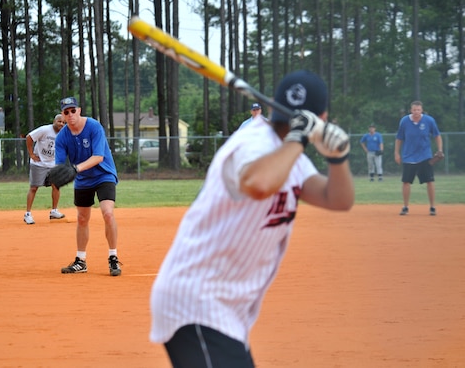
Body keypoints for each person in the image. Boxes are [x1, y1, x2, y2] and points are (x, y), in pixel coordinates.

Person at [150, 70, 354, 367]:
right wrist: (299, 138)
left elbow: (337, 199)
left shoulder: (291, 158)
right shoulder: (253, 142)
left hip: (226, 310)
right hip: (196, 300)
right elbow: (258, 183)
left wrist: (338, 158)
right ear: (321, 115)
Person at [54, 96, 122, 276]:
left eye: (73, 110)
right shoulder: (62, 137)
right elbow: (60, 166)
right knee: (82, 219)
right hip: (83, 179)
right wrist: (53, 177)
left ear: (79, 110)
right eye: (66, 112)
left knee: (107, 213)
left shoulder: (93, 127)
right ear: (63, 114)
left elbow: (98, 157)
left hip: (103, 173)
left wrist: (75, 169)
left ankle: (113, 257)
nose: (70, 115)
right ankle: (81, 261)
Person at [394, 100, 443, 216]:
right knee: (406, 182)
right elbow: (399, 138)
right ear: (411, 110)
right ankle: (405, 207)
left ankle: (432, 207)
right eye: (414, 110)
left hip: (425, 155)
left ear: (422, 110)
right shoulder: (405, 121)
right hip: (408, 156)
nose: (416, 112)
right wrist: (396, 153)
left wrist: (440, 149)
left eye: (418, 110)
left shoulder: (429, 120)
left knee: (430, 181)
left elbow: (437, 135)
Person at [24, 114, 66, 225]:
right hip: (39, 163)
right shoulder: (45, 130)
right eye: (59, 121)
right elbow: (29, 137)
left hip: (53, 164)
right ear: (54, 121)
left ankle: (54, 211)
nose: (61, 124)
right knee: (34, 188)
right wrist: (31, 154)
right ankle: (28, 214)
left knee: (56, 186)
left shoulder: (64, 133)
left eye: (63, 122)